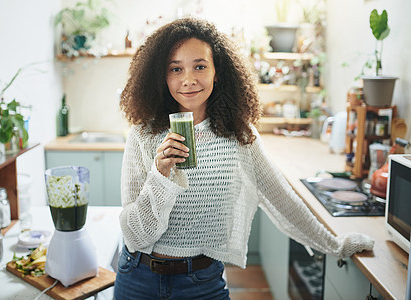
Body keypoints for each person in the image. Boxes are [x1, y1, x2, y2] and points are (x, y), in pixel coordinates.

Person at [114, 17, 374, 300]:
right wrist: (160, 174)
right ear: (162, 77)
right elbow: (136, 235)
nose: (188, 79)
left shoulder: (238, 136)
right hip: (139, 278)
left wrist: (335, 245)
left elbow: (282, 199)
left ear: (217, 72)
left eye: (200, 66)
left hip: (203, 283)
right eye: (176, 69)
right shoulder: (143, 135)